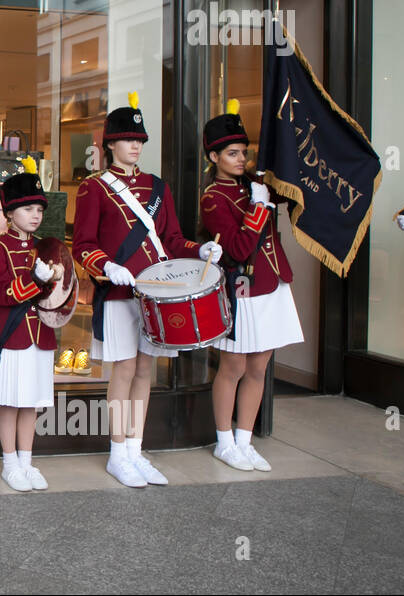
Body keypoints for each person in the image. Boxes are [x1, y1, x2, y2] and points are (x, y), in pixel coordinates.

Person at [72, 93, 223, 488]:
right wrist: (107, 265)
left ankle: (136, 449)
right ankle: (117, 452)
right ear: (110, 144)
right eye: (127, 139)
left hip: (156, 295)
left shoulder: (157, 187)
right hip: (120, 294)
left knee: (145, 371)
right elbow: (82, 244)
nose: (135, 145)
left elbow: (172, 239)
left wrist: (199, 249)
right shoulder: (95, 188)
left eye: (139, 139)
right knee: (121, 371)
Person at [200, 99, 302, 472]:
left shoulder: (258, 186)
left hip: (272, 285)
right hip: (241, 289)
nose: (240, 159)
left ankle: (245, 439)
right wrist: (259, 209)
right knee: (234, 366)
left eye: (243, 152)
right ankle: (224, 441)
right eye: (232, 153)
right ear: (214, 157)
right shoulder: (213, 199)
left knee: (260, 367)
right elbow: (238, 249)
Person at [0, 159, 62, 491]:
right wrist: (35, 280)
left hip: (40, 334)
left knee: (31, 401)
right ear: (10, 211)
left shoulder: (48, 247)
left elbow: (62, 295)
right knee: (10, 401)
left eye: (39, 209)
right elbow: (2, 293)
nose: (35, 215)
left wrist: (56, 281)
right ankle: (9, 462)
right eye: (27, 208)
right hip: (11, 335)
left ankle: (27, 462)